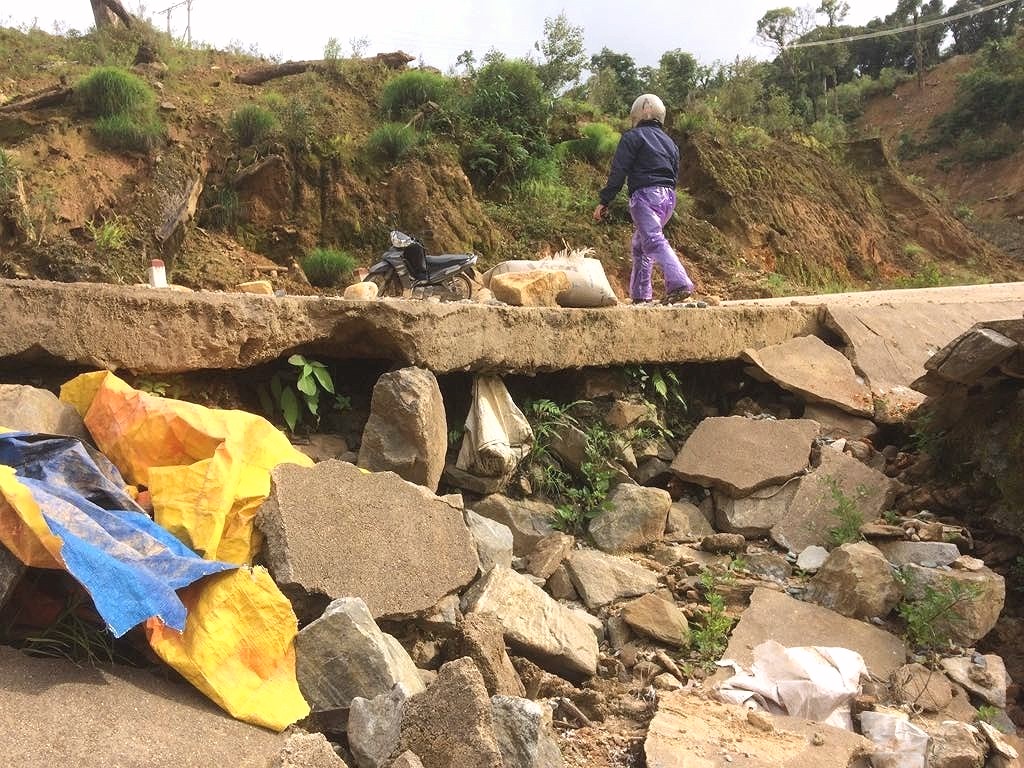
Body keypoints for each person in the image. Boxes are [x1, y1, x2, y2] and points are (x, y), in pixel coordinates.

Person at [594, 93, 696, 305]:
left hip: (645, 196)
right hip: (668, 198)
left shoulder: (632, 137)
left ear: (638, 114)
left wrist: (605, 200)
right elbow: (674, 173)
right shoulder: (670, 143)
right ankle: (640, 294)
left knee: (652, 239)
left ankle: (680, 283)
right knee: (640, 245)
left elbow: (619, 171)